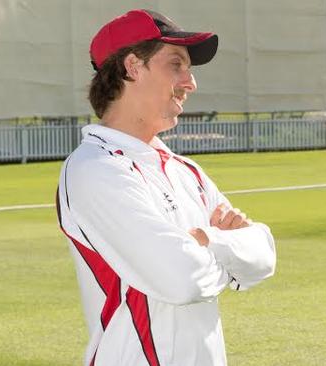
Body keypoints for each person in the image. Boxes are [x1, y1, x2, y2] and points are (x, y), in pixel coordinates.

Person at [56, 9, 276, 366]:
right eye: (176, 64)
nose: (191, 83)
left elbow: (264, 255)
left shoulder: (185, 170)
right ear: (132, 67)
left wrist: (208, 240)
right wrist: (226, 250)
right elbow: (181, 280)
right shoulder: (94, 169)